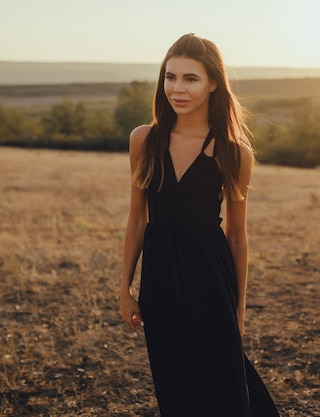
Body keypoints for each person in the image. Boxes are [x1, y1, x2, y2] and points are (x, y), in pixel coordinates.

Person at [119, 33, 280, 417]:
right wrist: (125, 287)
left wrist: (238, 308)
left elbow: (237, 237)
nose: (177, 88)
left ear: (212, 84)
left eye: (190, 78)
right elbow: (139, 217)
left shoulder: (234, 152)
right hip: (159, 278)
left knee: (225, 380)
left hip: (211, 277)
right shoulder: (144, 140)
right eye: (170, 77)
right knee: (174, 383)